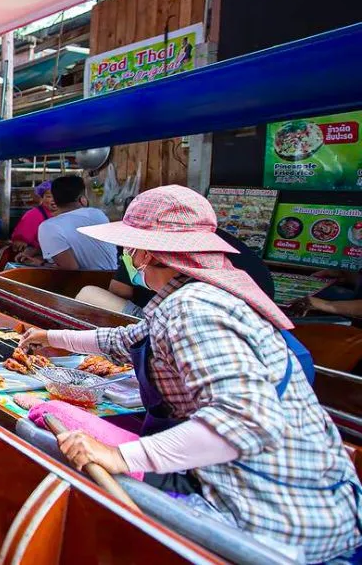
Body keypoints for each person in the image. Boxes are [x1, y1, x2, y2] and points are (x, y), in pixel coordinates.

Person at [20, 186, 361, 563]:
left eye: (131, 250)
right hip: (246, 486)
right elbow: (126, 339)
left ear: (146, 253)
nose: (129, 258)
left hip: (273, 520)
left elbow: (244, 420)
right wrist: (51, 338)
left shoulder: (194, 310)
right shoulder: (185, 295)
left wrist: (124, 455)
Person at [78, 228, 275, 316]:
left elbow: (119, 291)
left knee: (88, 293)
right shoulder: (216, 245)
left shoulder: (188, 305)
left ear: (147, 256)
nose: (128, 253)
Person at [21, 174, 116, 270]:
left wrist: (40, 264)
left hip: (85, 282)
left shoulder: (48, 227)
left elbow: (70, 269)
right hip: (111, 279)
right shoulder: (98, 214)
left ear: (54, 200)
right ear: (82, 199)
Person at [10, 181, 55, 258]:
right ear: (42, 198)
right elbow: (19, 243)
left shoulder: (68, 214)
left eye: (58, 196)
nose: (54, 200)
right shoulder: (33, 214)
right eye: (49, 196)